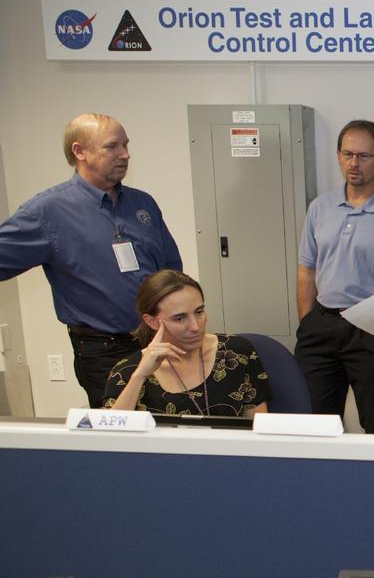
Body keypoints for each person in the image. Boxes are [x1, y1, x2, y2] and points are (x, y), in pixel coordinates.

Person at [0, 113, 182, 408]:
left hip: (157, 340)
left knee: (167, 423)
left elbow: (171, 269)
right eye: (112, 146)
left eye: (125, 145)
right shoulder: (48, 212)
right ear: (79, 151)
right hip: (103, 351)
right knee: (119, 429)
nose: (125, 154)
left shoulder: (142, 203)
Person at [294, 119, 374, 433]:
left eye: (363, 156)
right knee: (315, 426)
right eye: (347, 154)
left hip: (373, 328)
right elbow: (306, 269)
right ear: (338, 156)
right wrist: (307, 321)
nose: (353, 163)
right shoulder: (320, 208)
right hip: (322, 324)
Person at [103, 270, 271, 417]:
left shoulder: (237, 353)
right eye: (179, 318)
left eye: (199, 312)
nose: (195, 326)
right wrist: (139, 376)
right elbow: (112, 436)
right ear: (152, 322)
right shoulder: (127, 371)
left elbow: (258, 428)